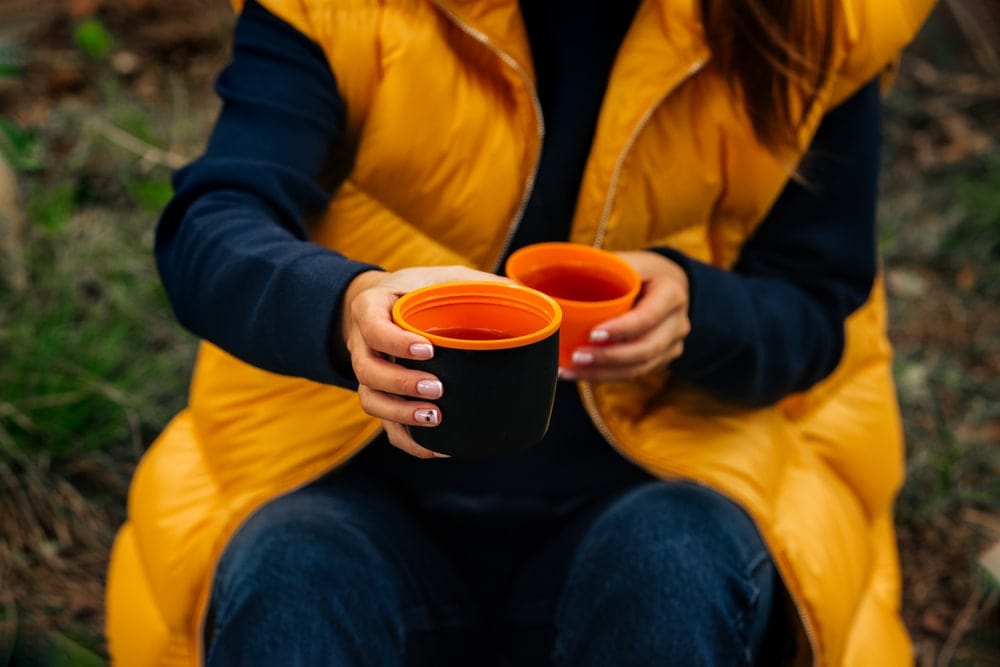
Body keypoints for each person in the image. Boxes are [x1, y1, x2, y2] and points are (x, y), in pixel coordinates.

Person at [105, 0, 936, 664]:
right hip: (354, 491)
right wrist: (343, 306)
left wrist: (698, 311)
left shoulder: (812, 25)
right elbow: (211, 226)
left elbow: (816, 306)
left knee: (675, 563)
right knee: (293, 572)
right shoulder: (341, 11)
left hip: (646, 494)